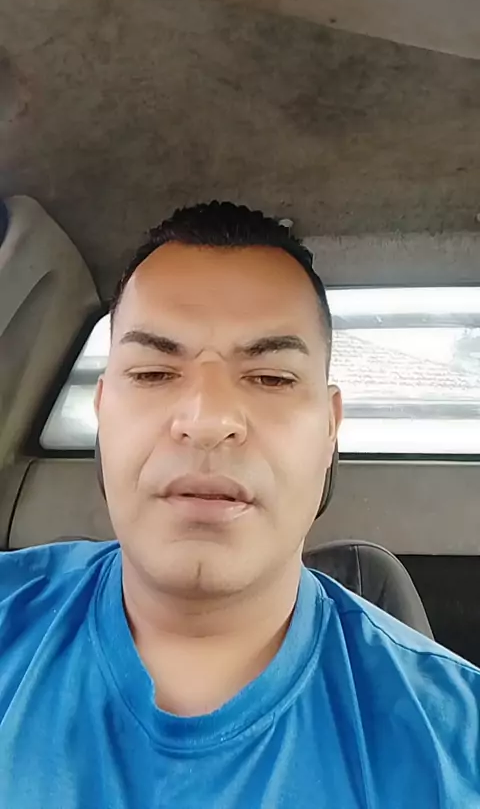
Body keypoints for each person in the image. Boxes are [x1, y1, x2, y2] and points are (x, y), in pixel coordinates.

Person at [0, 202, 479, 808]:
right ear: (101, 412)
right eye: (152, 373)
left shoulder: (458, 749)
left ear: (330, 430)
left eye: (272, 378)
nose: (207, 421)